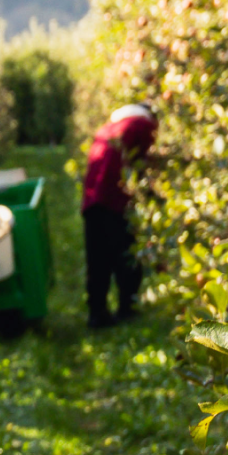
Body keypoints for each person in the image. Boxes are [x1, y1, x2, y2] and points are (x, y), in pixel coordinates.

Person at [80, 103, 159, 328]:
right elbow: (145, 164)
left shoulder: (107, 129)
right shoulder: (142, 126)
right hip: (116, 199)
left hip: (92, 199)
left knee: (97, 258)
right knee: (127, 255)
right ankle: (127, 309)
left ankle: (97, 313)